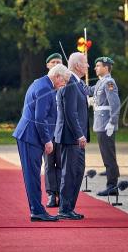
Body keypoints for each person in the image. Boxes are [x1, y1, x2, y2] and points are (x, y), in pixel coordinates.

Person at [13, 63, 71, 221]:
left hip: (29, 135)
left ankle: (36, 209)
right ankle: (37, 211)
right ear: (57, 76)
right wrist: (47, 140)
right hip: (31, 136)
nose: (64, 84)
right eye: (64, 81)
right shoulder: (46, 88)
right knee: (32, 175)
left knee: (32, 174)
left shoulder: (41, 82)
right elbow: (40, 118)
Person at [54, 52, 89, 220]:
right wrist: (79, 134)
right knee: (69, 173)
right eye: (85, 63)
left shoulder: (77, 82)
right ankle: (64, 209)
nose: (88, 66)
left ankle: (69, 207)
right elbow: (70, 113)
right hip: (71, 137)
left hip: (76, 137)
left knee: (77, 171)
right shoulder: (70, 83)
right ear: (77, 65)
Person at [88, 57, 121, 196]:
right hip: (101, 124)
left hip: (106, 124)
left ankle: (112, 185)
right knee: (106, 155)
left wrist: (112, 123)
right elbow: (89, 90)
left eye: (98, 65)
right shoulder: (101, 82)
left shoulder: (109, 82)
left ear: (106, 68)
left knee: (109, 157)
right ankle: (112, 183)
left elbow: (115, 105)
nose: (95, 68)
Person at [43, 53, 64, 208]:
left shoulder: (67, 84)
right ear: (48, 65)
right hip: (49, 132)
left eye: (59, 62)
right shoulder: (44, 85)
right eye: (53, 62)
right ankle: (51, 194)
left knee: (63, 164)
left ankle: (63, 194)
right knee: (50, 164)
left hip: (63, 132)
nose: (56, 64)